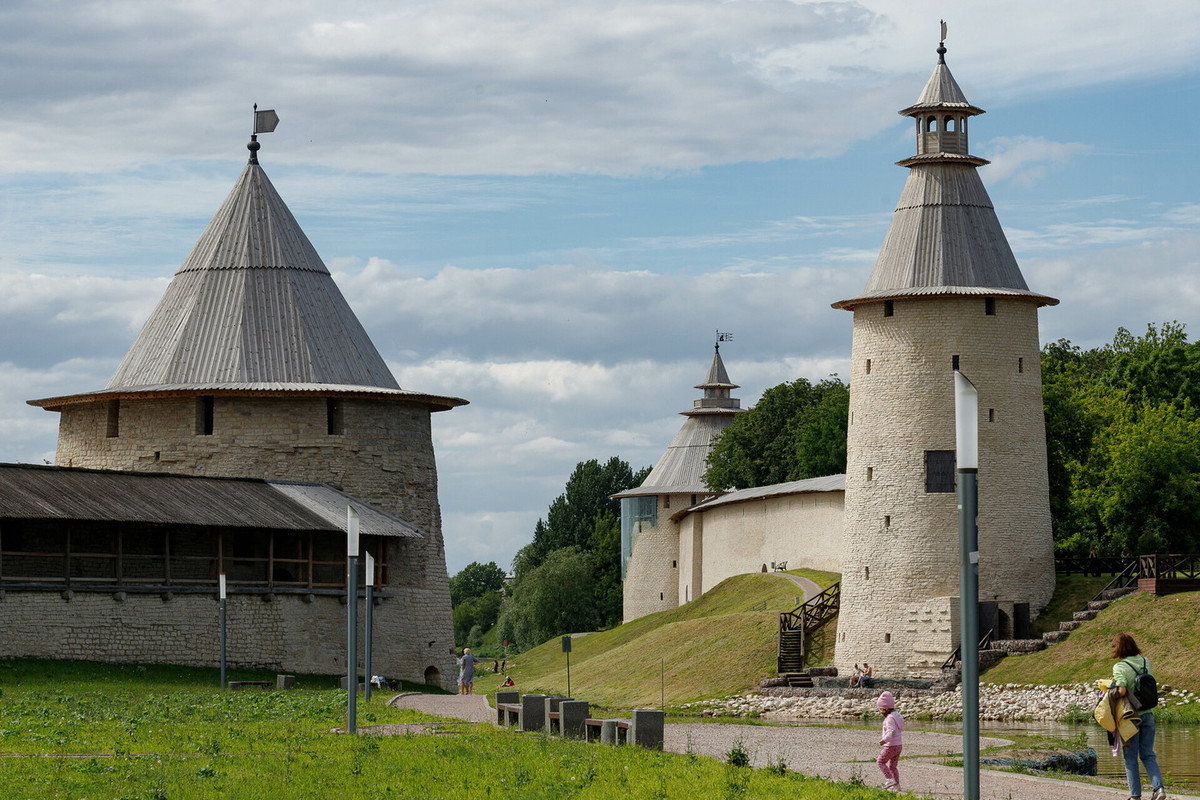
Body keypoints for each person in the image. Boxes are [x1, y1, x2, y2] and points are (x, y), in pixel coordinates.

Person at [1111, 633, 1166, 800]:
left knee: (1130, 758)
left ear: (1119, 648)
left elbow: (1121, 691)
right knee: (1148, 754)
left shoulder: (1119, 667)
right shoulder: (1145, 661)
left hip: (1130, 717)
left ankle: (1135, 796)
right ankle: (1159, 789)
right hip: (1148, 714)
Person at [876, 691, 904, 791]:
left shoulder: (889, 718)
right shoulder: (897, 715)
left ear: (886, 708)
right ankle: (896, 786)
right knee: (893, 766)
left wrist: (884, 740)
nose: (880, 711)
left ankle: (889, 779)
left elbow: (891, 731)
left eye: (880, 709)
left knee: (880, 761)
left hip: (891, 745)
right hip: (898, 745)